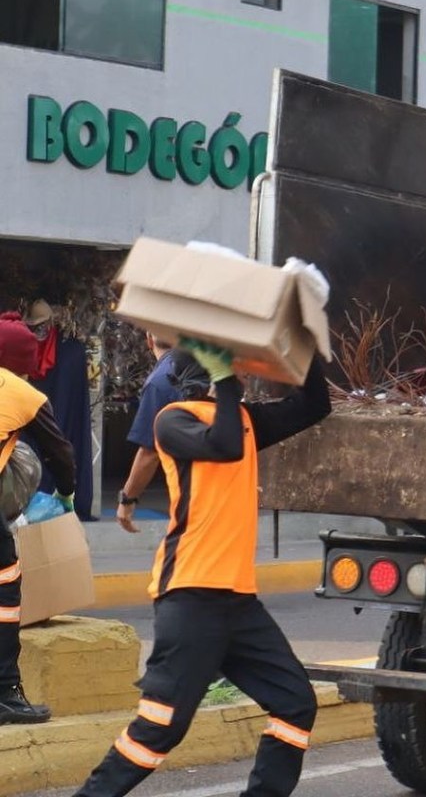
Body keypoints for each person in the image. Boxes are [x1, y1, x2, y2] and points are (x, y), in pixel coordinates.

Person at [74, 338, 331, 797]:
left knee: (295, 703)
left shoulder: (246, 420)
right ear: (208, 374)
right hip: (190, 596)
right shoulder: (172, 421)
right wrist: (227, 384)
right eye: (232, 370)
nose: (243, 378)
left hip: (237, 602)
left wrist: (306, 348)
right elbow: (225, 445)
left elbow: (314, 406)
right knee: (160, 728)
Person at [0, 312, 76, 726]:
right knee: (5, 592)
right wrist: (65, 493)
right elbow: (60, 453)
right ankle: (5, 693)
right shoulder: (23, 393)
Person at [25, 299, 95, 520]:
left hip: (59, 415)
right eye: (34, 326)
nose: (39, 330)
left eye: (43, 324)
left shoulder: (70, 353)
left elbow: (73, 397)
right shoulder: (23, 348)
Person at [116, 333, 181, 533]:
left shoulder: (159, 383)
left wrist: (127, 500)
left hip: (193, 491)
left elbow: (149, 453)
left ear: (149, 340)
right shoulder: (204, 369)